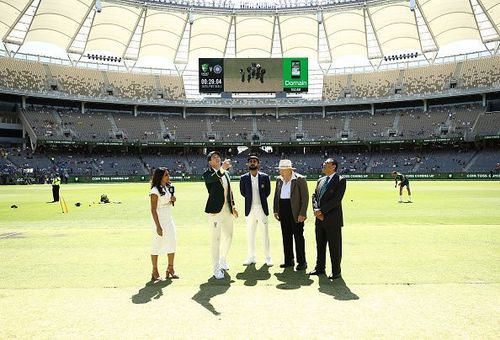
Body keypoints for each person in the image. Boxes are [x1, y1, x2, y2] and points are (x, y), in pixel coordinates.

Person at [309, 158, 346, 280]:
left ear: (334, 166)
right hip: (319, 219)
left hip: (332, 220)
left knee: (334, 247)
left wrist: (321, 211)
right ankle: (320, 268)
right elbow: (314, 196)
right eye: (324, 164)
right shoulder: (320, 180)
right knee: (320, 245)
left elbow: (336, 200)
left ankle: (336, 271)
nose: (324, 166)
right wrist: (315, 209)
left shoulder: (340, 180)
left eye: (326, 164)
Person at [203, 151, 239, 280]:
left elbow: (229, 191)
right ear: (209, 162)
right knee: (215, 240)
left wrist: (233, 206)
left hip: (227, 210)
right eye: (214, 157)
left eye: (219, 156)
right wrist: (223, 169)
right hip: (215, 212)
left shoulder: (226, 174)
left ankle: (223, 260)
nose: (217, 158)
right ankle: (216, 269)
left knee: (229, 237)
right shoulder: (207, 174)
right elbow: (214, 178)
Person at [273, 159, 309, 271]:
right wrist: (276, 210)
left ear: (289, 169)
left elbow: (305, 198)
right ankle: (289, 260)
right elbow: (276, 196)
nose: (280, 171)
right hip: (283, 210)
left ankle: (302, 262)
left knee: (298, 237)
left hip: (295, 211)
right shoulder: (279, 180)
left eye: (282, 169)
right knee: (286, 236)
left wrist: (302, 213)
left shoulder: (299, 179)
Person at [239, 155, 272, 267]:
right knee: (250, 234)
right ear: (248, 164)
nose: (252, 163)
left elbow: (267, 192)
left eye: (254, 161)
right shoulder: (243, 178)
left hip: (262, 209)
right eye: (250, 162)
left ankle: (268, 258)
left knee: (264, 234)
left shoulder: (265, 177)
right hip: (250, 209)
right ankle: (251, 257)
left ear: (258, 164)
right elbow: (243, 193)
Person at [150, 167, 178, 281]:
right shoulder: (154, 191)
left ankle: (170, 269)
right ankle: (155, 271)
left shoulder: (167, 187)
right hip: (159, 221)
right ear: (160, 176)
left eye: (168, 174)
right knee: (156, 245)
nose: (168, 176)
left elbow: (168, 202)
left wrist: (172, 200)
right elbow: (153, 210)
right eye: (166, 175)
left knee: (172, 242)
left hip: (169, 219)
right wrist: (158, 226)